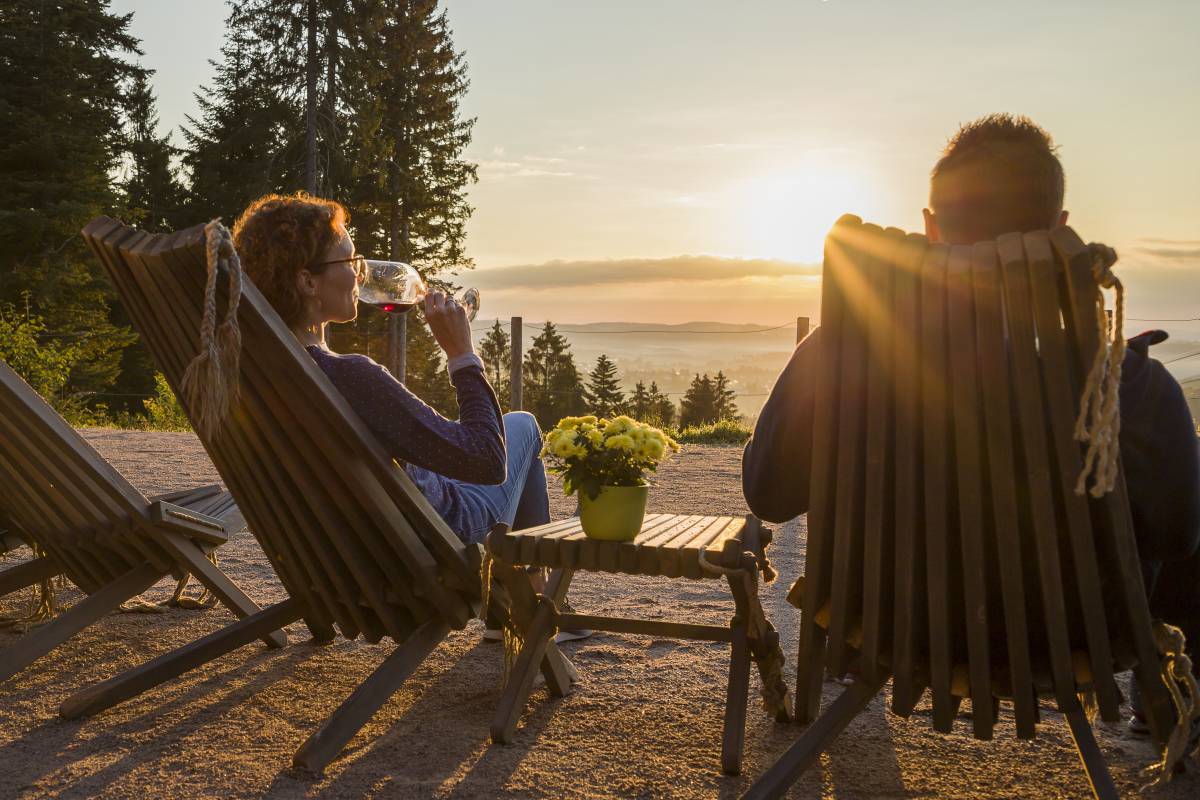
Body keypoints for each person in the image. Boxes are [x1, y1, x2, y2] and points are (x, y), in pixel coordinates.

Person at [742, 114, 1200, 730]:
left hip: (883, 620)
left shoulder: (836, 355)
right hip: (1070, 636)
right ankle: (1170, 710)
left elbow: (767, 494)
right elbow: (1178, 536)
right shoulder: (1130, 385)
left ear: (931, 230)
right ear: (1059, 230)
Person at [232, 193, 589, 642]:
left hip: (342, 556)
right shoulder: (348, 377)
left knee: (512, 428)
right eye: (350, 258)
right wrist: (461, 354)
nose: (361, 271)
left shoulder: (257, 374)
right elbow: (486, 460)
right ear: (307, 282)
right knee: (523, 426)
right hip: (435, 539)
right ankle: (528, 607)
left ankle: (520, 604)